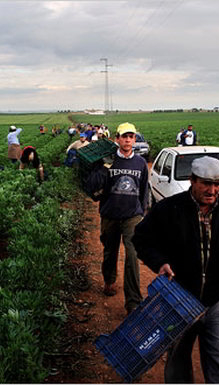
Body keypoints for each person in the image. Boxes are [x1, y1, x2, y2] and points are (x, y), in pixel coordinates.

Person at [133, 156, 219, 383]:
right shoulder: (169, 209)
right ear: (192, 180)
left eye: (217, 184)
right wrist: (159, 262)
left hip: (217, 300)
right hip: (180, 298)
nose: (212, 190)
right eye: (206, 184)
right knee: (178, 358)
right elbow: (141, 238)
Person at [85, 122, 149, 314]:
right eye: (124, 136)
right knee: (110, 251)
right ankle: (110, 280)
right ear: (117, 139)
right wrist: (104, 167)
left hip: (132, 216)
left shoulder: (140, 163)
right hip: (110, 214)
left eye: (131, 136)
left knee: (133, 254)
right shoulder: (108, 161)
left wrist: (142, 211)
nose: (128, 139)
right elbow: (94, 187)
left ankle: (133, 301)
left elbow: (144, 189)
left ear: (134, 140)